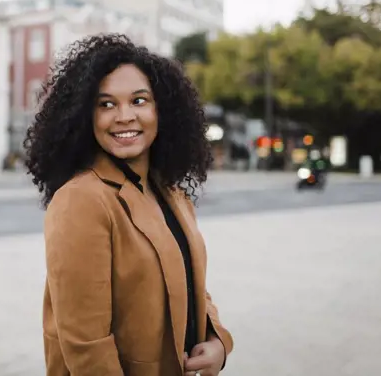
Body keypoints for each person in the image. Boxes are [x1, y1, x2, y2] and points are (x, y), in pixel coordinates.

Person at [24, 34, 234, 376]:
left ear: (161, 109)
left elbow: (189, 280)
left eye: (139, 101)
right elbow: (86, 345)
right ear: (84, 116)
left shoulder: (170, 192)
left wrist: (217, 340)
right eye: (106, 104)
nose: (124, 116)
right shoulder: (82, 199)